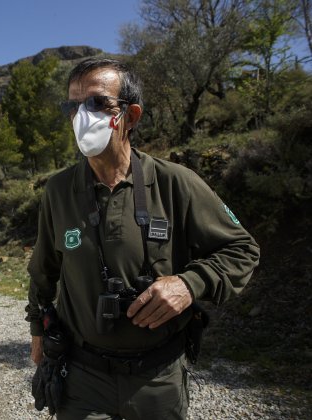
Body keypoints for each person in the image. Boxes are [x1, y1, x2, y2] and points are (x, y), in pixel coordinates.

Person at [26, 58, 260, 419]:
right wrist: (37, 329)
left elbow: (242, 250)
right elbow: (43, 271)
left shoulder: (174, 182)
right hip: (82, 377)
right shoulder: (58, 190)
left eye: (97, 103)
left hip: (157, 379)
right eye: (72, 106)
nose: (81, 115)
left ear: (131, 117)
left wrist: (188, 284)